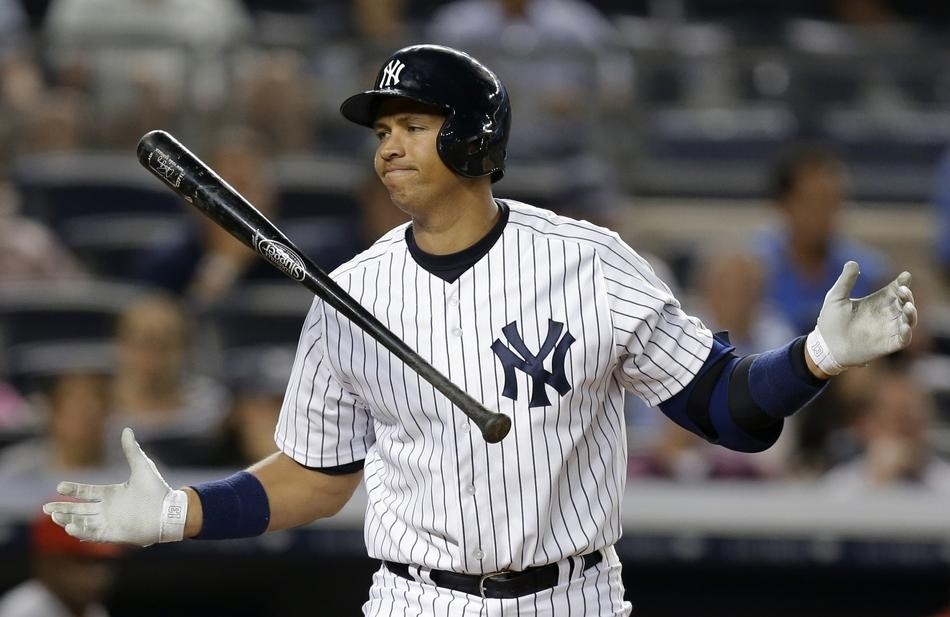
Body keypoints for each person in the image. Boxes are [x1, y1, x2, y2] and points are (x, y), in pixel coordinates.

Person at [44, 44, 918, 615]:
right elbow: (315, 477)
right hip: (417, 599)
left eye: (412, 126)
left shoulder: (589, 262)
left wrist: (815, 357)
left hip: (572, 597)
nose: (388, 148)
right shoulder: (351, 292)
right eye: (383, 132)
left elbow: (725, 410)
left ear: (472, 139)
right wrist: (182, 510)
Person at [755, 141, 892, 334]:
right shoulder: (754, 270)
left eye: (834, 202)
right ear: (784, 204)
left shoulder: (868, 274)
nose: (826, 214)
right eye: (814, 202)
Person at [0, 507, 123, 617]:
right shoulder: (24, 611)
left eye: (103, 562)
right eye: (82, 562)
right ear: (48, 564)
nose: (98, 574)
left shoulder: (94, 610)